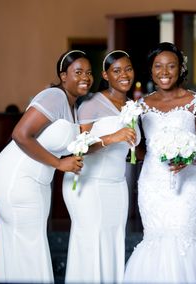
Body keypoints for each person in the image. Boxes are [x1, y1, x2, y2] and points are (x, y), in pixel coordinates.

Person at [0, 50, 93, 283]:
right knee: (29, 241)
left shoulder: (75, 106)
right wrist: (59, 163)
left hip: (38, 179)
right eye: (78, 72)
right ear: (63, 75)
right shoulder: (53, 96)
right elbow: (20, 134)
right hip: (16, 176)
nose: (85, 77)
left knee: (22, 239)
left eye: (89, 72)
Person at [123, 42, 196, 283]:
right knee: (154, 236)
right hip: (152, 182)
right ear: (151, 70)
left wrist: (190, 158)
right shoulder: (140, 105)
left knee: (182, 236)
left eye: (171, 66)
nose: (164, 72)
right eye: (158, 66)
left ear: (180, 69)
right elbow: (140, 148)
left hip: (189, 181)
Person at [62, 50, 139, 283]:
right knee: (91, 243)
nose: (124, 75)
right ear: (105, 75)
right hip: (90, 183)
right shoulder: (91, 103)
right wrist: (112, 137)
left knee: (113, 241)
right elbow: (78, 147)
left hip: (117, 184)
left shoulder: (132, 105)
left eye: (128, 69)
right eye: (116, 71)